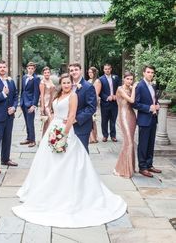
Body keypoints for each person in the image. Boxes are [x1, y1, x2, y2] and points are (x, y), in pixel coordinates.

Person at [12, 73, 127, 227]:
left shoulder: (73, 96)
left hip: (65, 131)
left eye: (68, 82)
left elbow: (72, 115)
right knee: (47, 162)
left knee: (66, 163)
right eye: (64, 82)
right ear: (61, 83)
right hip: (53, 129)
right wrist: (51, 128)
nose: (66, 85)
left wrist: (63, 135)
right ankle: (43, 190)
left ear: (71, 84)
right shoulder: (57, 95)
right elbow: (53, 112)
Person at [133, 65, 162, 178]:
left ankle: (149, 164)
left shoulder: (153, 85)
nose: (150, 74)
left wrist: (157, 104)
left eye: (152, 72)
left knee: (151, 143)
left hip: (153, 119)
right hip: (144, 119)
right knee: (143, 144)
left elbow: (154, 99)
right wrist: (149, 108)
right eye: (148, 72)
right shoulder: (140, 86)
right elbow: (135, 104)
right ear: (144, 73)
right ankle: (142, 167)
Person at [68, 63, 97, 153]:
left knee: (82, 152)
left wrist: (76, 119)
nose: (74, 72)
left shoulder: (88, 87)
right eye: (71, 70)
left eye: (76, 69)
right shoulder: (67, 85)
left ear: (80, 71)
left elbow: (91, 108)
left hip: (82, 125)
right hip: (67, 125)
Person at [114, 72, 137, 178]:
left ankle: (130, 167)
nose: (130, 81)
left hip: (132, 115)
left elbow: (135, 102)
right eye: (128, 79)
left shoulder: (131, 88)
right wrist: (135, 88)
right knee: (128, 142)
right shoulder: (120, 89)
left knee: (131, 141)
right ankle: (121, 169)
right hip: (123, 116)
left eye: (131, 79)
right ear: (123, 79)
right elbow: (131, 100)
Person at [20, 62, 40, 147]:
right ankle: (28, 138)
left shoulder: (36, 79)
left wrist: (34, 105)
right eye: (29, 68)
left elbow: (36, 93)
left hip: (30, 103)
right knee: (26, 122)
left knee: (30, 122)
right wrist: (21, 102)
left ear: (34, 69)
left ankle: (33, 140)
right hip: (23, 102)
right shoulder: (24, 77)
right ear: (27, 69)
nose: (30, 70)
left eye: (32, 68)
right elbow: (22, 90)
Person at [99, 63, 120, 142]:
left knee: (113, 120)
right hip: (105, 103)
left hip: (115, 103)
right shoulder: (100, 79)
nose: (107, 70)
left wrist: (116, 95)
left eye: (108, 68)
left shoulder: (116, 77)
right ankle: (105, 135)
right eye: (105, 69)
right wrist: (107, 97)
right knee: (104, 120)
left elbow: (119, 88)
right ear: (103, 70)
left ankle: (113, 135)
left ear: (111, 69)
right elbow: (99, 92)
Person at [39, 66, 56, 136]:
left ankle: (44, 138)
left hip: (51, 102)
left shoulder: (51, 81)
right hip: (45, 103)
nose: (47, 74)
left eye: (48, 72)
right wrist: (42, 107)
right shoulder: (42, 82)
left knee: (46, 122)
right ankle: (50, 137)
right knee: (50, 120)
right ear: (43, 74)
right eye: (45, 73)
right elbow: (42, 95)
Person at [87, 66, 100, 143]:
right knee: (91, 120)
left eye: (91, 72)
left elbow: (96, 94)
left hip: (93, 102)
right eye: (88, 72)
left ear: (94, 73)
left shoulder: (97, 81)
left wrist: (93, 104)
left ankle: (94, 137)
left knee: (93, 120)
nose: (89, 74)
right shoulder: (89, 80)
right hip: (88, 102)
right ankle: (92, 137)